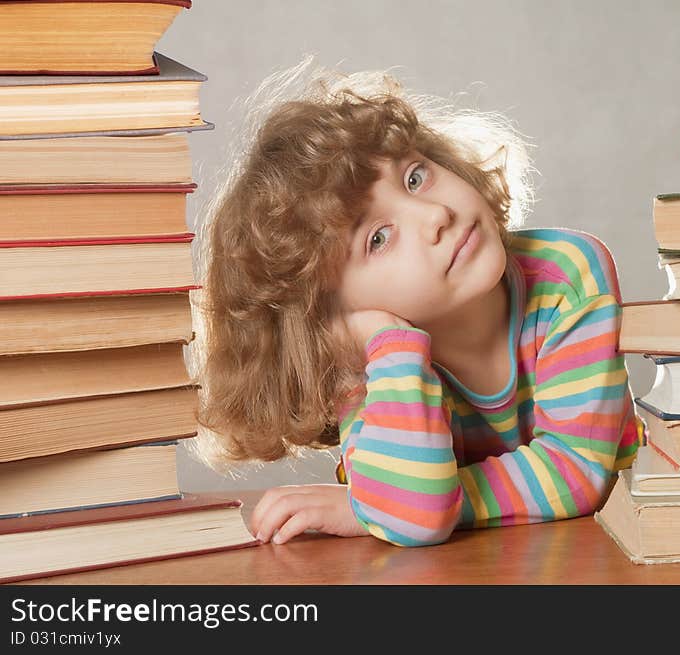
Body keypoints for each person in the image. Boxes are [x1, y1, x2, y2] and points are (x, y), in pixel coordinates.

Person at [192, 57, 645, 548]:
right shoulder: (372, 356)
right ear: (335, 316)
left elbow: (579, 471)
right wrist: (390, 348)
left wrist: (384, 505)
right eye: (379, 239)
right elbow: (415, 518)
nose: (435, 215)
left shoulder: (566, 273)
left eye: (414, 177)